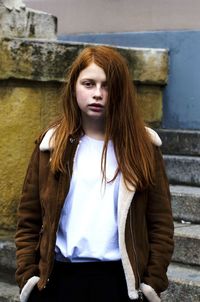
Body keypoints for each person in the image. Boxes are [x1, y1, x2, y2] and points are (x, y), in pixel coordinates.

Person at [15, 45, 174, 302]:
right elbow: (28, 220)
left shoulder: (143, 146)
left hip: (119, 282)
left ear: (119, 91)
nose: (97, 94)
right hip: (59, 280)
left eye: (107, 85)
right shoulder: (50, 145)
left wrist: (151, 283)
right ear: (74, 86)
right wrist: (29, 278)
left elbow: (161, 224)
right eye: (88, 84)